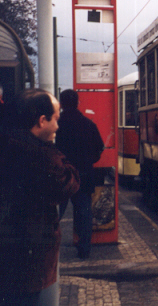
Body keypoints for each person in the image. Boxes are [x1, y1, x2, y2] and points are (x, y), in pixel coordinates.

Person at [0, 89, 79, 306]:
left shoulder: (8, 144)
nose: (57, 127)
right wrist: (52, 150)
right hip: (28, 265)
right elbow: (69, 182)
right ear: (42, 121)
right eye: (55, 120)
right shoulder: (41, 157)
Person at [56, 89, 104, 260]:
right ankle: (84, 250)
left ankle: (49, 249)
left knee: (55, 213)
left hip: (61, 176)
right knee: (84, 213)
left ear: (61, 104)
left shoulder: (56, 124)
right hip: (84, 174)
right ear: (77, 103)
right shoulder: (88, 124)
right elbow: (99, 147)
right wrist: (88, 160)